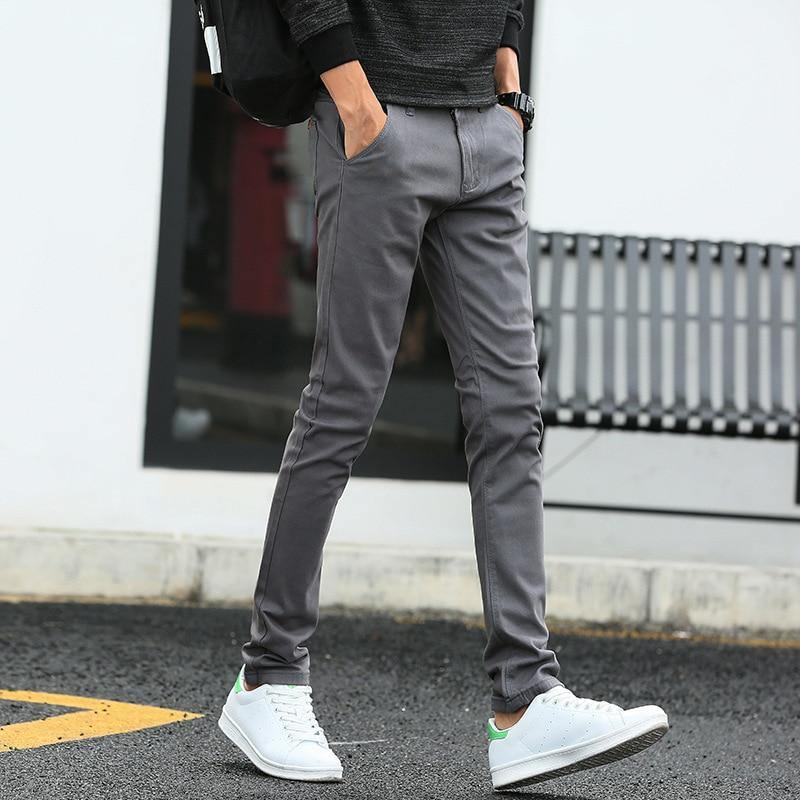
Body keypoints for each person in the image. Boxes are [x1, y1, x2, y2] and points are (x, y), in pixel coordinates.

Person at [217, 0, 668, 789]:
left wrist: (507, 74)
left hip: (486, 129)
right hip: (377, 113)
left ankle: (526, 699)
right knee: (345, 401)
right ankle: (269, 675)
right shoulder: (365, 109)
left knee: (511, 411)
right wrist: (354, 96)